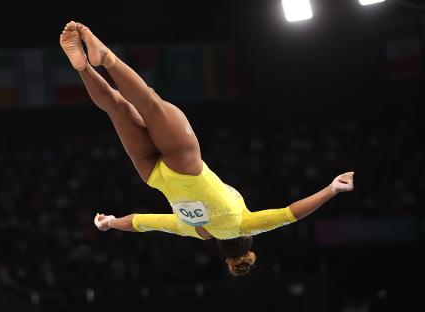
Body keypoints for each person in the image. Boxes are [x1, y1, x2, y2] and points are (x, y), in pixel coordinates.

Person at [59, 21, 355, 276]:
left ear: (246, 237)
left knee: (149, 102)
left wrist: (332, 188)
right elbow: (141, 222)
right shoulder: (194, 231)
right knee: (116, 107)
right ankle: (83, 67)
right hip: (152, 174)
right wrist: (110, 223)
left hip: (185, 163)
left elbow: (290, 213)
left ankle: (106, 57)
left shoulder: (242, 224)